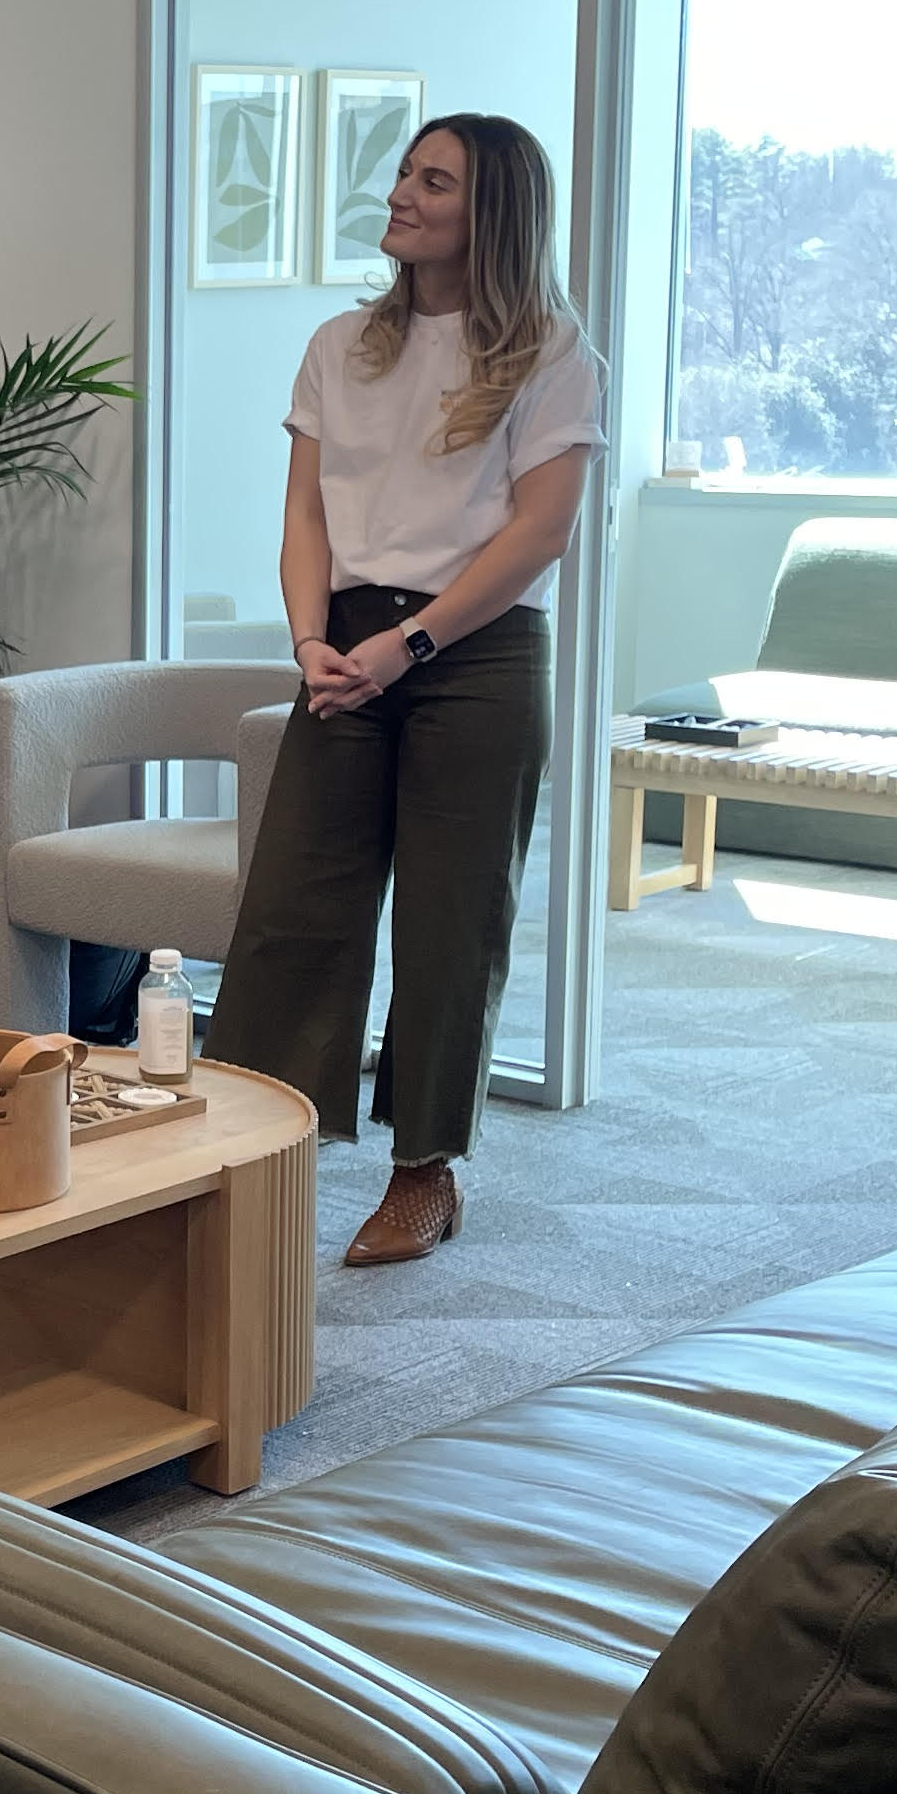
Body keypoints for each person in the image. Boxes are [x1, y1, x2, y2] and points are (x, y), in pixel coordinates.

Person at [202, 111, 599, 1267]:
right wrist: (311, 638)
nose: (401, 194)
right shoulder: (340, 344)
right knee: (291, 913)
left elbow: (539, 534)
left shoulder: (552, 354)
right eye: (406, 173)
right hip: (348, 647)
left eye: (434, 181)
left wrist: (408, 647)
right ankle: (251, 1153)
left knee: (448, 923)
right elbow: (306, 514)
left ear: (492, 216)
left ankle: (424, 1173)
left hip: (476, 654)